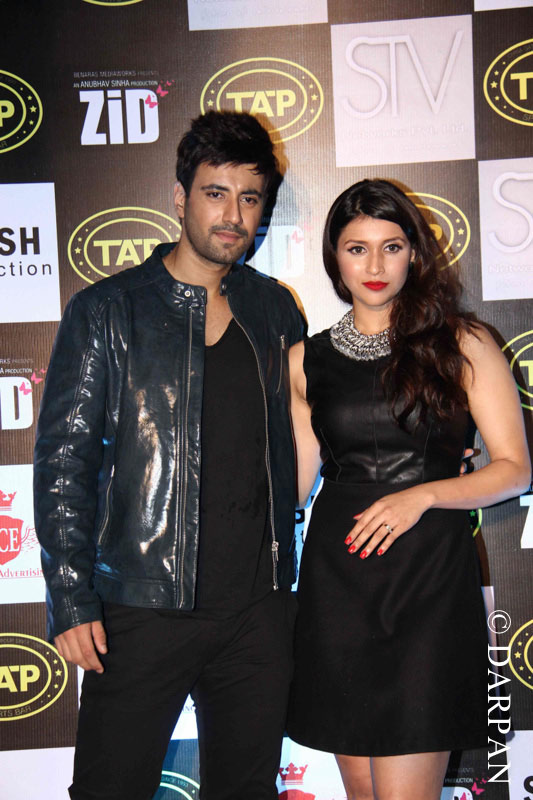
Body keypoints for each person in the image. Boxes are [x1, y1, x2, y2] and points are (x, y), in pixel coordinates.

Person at [34, 110, 305, 800]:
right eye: (216, 193)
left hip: (257, 611)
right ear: (181, 199)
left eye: (250, 198)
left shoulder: (274, 310)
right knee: (109, 788)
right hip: (141, 602)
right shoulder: (108, 311)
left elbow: (312, 424)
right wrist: (70, 597)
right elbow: (63, 463)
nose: (233, 216)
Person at [286, 179, 530, 800]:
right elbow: (294, 486)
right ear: (334, 257)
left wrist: (424, 494)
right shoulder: (303, 362)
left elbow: (514, 468)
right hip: (338, 583)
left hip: (427, 582)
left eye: (391, 247)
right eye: (357, 248)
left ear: (414, 254)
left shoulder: (463, 343)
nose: (374, 265)